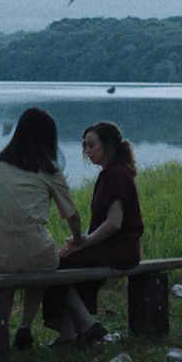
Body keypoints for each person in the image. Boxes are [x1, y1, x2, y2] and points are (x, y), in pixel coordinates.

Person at [0, 107, 85, 351]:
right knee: (43, 262)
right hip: (34, 250)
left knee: (11, 274)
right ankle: (25, 326)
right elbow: (72, 215)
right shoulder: (50, 170)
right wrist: (78, 239)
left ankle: (1, 331)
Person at [42, 121, 143, 347]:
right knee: (61, 259)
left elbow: (114, 223)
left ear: (108, 145)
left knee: (57, 263)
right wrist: (79, 244)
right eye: (85, 146)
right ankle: (71, 333)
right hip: (113, 246)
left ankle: (83, 327)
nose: (87, 151)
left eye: (92, 145)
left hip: (121, 247)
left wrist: (84, 242)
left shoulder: (116, 175)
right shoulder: (109, 174)